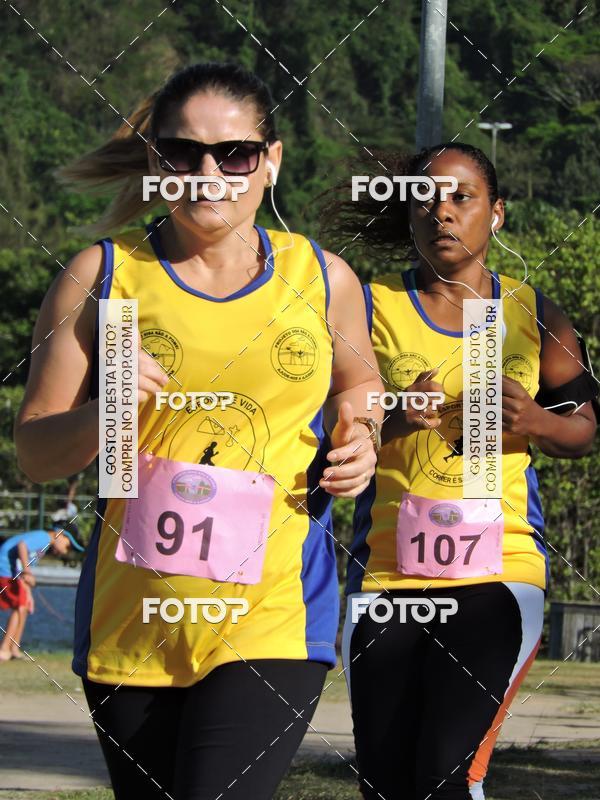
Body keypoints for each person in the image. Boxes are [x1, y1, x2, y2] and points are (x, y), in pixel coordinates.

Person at [14, 62, 383, 800]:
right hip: (135, 619)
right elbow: (35, 453)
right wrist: (108, 408)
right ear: (156, 163)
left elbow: (362, 385)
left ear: (270, 161)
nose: (208, 173)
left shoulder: (323, 277)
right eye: (182, 154)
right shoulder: (103, 276)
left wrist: (361, 435)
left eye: (235, 154)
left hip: (275, 612)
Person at [328, 143, 598, 799]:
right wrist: (392, 419)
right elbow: (330, 433)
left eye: (461, 198)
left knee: (447, 772)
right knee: (387, 783)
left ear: (496, 214)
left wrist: (536, 421)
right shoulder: (367, 307)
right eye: (425, 198)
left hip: (499, 572)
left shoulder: (533, 315)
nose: (441, 212)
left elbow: (587, 430)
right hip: (390, 572)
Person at [0, 524, 84, 661]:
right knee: (19, 608)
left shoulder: (44, 546)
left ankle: (14, 649)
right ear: (60, 534)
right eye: (67, 546)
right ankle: (4, 649)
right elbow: (22, 545)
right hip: (5, 569)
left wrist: (28, 592)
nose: (65, 551)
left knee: (24, 606)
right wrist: (27, 571)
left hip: (12, 572)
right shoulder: (44, 537)